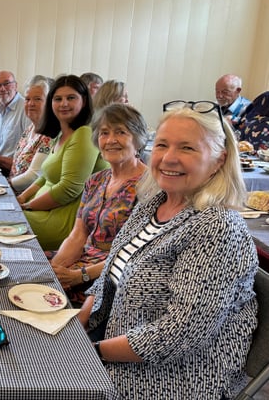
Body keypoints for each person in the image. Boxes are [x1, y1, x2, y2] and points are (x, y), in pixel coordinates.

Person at [80, 100, 258, 399]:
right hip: (115, 349)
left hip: (170, 378)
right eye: (162, 145)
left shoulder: (217, 227)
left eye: (187, 148)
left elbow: (180, 333)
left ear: (219, 160)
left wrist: (91, 352)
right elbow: (110, 273)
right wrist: (78, 322)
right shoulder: (154, 203)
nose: (168, 159)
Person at [49, 104, 147, 305]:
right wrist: (56, 270)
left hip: (111, 276)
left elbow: (136, 254)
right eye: (104, 133)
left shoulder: (149, 186)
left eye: (121, 132)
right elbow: (78, 235)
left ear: (138, 139)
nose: (111, 140)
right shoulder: (95, 180)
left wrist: (80, 276)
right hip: (82, 261)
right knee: (26, 270)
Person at [16, 75, 108, 250]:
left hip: (61, 220)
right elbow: (44, 177)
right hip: (42, 211)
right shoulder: (61, 134)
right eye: (58, 99)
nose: (64, 104)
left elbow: (69, 189)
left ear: (84, 101)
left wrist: (27, 207)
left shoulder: (84, 134)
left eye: (71, 98)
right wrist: (21, 197)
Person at [9, 77, 52, 193]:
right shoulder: (30, 129)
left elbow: (33, 175)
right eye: (27, 99)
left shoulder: (49, 135)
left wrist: (5, 186)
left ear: (49, 103)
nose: (31, 104)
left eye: (38, 99)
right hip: (12, 189)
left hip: (27, 197)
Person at [0, 70, 30, 174]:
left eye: (6, 83)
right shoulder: (0, 110)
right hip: (0, 167)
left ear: (16, 85)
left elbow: (29, 157)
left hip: (15, 172)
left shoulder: (26, 108)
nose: (2, 88)